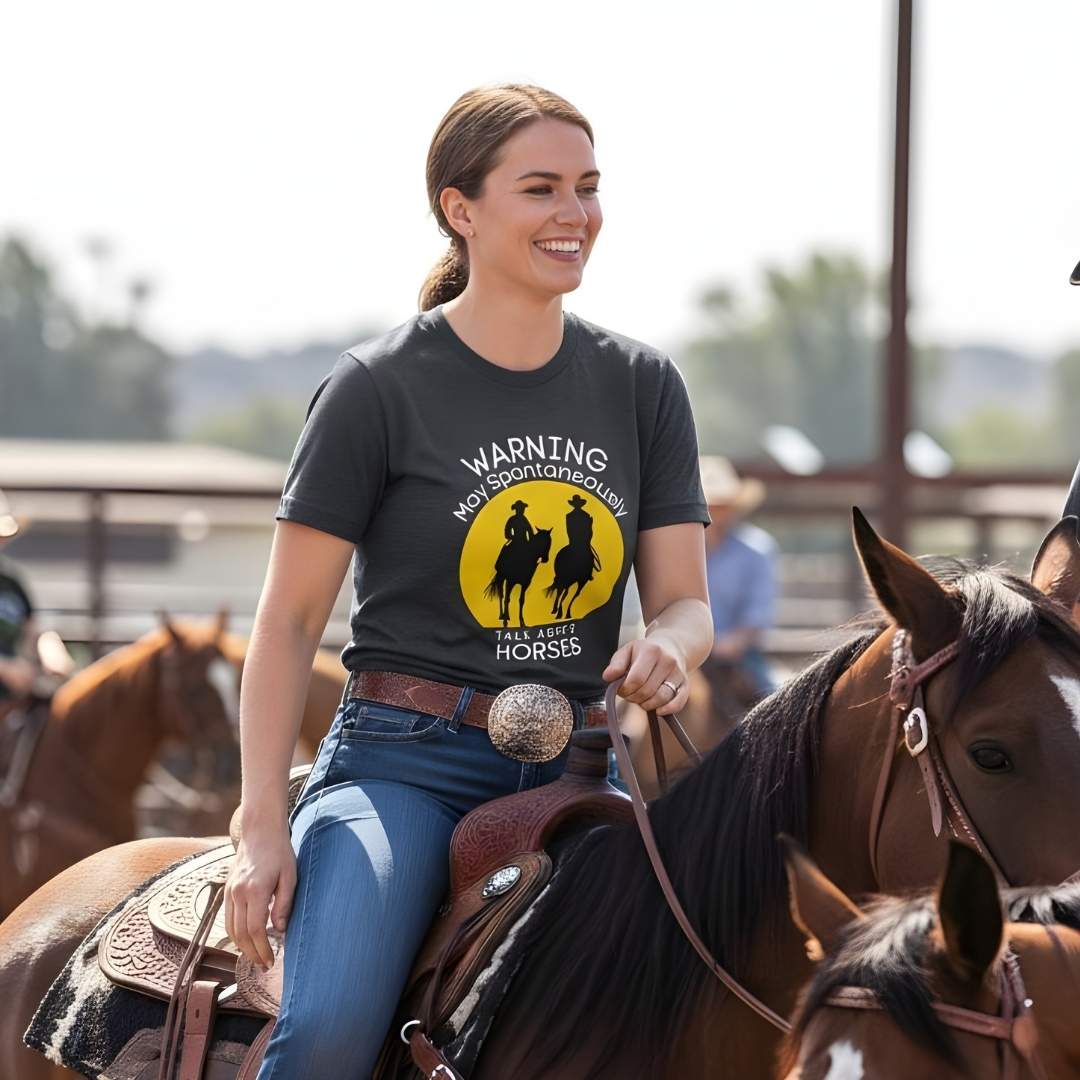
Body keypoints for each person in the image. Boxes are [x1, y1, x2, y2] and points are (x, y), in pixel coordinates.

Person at [228, 83, 714, 1079]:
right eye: (540, 189)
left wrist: (668, 645)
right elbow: (286, 627)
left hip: (580, 770)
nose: (574, 215)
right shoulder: (376, 387)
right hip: (401, 768)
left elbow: (687, 601)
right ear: (461, 208)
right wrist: (258, 827)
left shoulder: (643, 385)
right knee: (325, 1035)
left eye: (586, 187)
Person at [699, 455, 778, 700]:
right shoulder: (675, 550)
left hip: (737, 656)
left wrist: (733, 643)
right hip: (679, 652)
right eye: (709, 504)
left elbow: (758, 613)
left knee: (773, 708)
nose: (714, 512)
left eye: (720, 505)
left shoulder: (757, 549)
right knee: (618, 711)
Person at [0, 489, 76, 712]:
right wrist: (6, 668)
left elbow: (33, 627)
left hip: (14, 696)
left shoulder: (10, 583)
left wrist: (50, 649)